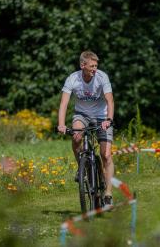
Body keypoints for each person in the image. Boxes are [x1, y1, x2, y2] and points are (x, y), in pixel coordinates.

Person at [57, 50, 114, 206]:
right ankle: (81, 168)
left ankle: (108, 193)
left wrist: (108, 120)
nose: (95, 69)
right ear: (82, 65)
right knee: (76, 137)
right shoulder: (73, 79)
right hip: (81, 114)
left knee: (106, 155)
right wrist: (61, 124)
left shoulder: (102, 77)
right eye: (91, 66)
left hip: (102, 116)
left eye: (96, 66)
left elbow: (110, 101)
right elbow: (64, 104)